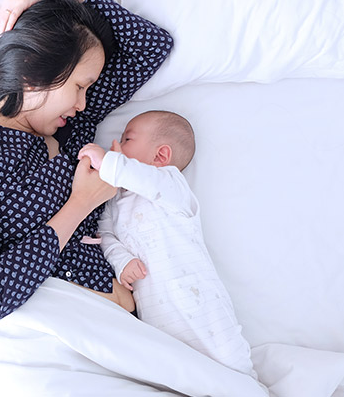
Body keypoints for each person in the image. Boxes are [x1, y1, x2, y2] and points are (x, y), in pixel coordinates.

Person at [0, 0, 173, 326]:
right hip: (57, 333)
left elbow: (151, 45)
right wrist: (81, 203)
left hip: (127, 325)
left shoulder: (73, 124)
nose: (84, 101)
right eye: (79, 86)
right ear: (34, 66)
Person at [79, 110, 259, 378]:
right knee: (179, 376)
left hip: (202, 307)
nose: (116, 145)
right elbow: (106, 235)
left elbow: (141, 178)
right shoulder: (116, 199)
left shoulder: (171, 185)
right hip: (159, 320)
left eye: (127, 139)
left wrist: (109, 162)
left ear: (160, 156)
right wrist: (122, 261)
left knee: (231, 365)